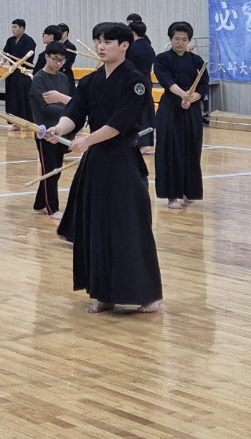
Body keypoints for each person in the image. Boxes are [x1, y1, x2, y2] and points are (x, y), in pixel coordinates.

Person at [45, 21, 162, 314]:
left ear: (124, 45)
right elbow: (74, 112)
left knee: (129, 226)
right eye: (98, 40)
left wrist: (87, 141)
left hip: (123, 161)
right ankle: (104, 293)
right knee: (96, 227)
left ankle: (147, 293)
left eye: (108, 42)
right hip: (96, 163)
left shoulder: (136, 81)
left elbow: (120, 123)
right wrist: (59, 129)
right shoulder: (91, 80)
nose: (100, 46)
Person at [153, 21, 206, 210]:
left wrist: (191, 99)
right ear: (171, 39)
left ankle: (188, 191)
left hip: (191, 108)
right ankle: (172, 196)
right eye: (177, 39)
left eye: (184, 39)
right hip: (170, 107)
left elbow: (203, 85)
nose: (180, 43)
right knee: (170, 150)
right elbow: (166, 81)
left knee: (191, 148)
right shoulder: (162, 59)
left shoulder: (196, 61)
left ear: (189, 40)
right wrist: (183, 95)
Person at [30, 46, 73, 218]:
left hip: (62, 129)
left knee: (57, 169)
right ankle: (52, 207)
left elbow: (69, 103)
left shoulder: (63, 78)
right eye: (55, 59)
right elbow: (44, 108)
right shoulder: (39, 79)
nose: (59, 63)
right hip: (45, 131)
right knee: (50, 169)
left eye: (62, 60)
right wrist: (67, 108)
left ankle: (40, 203)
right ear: (47, 57)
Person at [126, 20, 157, 154]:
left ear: (132, 33)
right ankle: (145, 142)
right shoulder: (149, 48)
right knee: (146, 109)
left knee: (137, 110)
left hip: (134, 81)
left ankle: (140, 142)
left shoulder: (131, 48)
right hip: (146, 80)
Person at [1, 19, 37, 127]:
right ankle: (15, 123)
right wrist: (2, 62)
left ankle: (27, 123)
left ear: (22, 28)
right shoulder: (10, 40)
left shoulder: (29, 41)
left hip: (24, 73)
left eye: (15, 27)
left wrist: (15, 65)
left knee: (24, 99)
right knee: (12, 99)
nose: (13, 29)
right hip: (12, 74)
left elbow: (25, 58)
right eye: (12, 27)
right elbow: (5, 54)